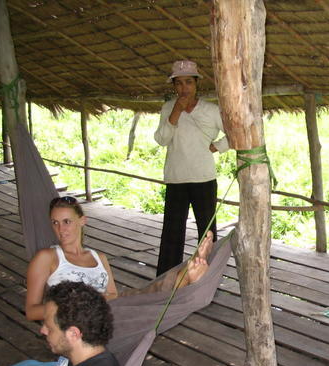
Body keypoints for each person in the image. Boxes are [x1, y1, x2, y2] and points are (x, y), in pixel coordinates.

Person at [25, 196, 213, 322]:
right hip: (81, 321)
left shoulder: (99, 258)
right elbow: (31, 311)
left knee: (148, 293)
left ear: (82, 221)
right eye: (55, 223)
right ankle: (188, 276)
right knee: (146, 303)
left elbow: (113, 296)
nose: (61, 229)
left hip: (112, 310)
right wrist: (66, 307)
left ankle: (187, 275)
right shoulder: (47, 257)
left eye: (67, 222)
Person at [154, 59, 230, 276]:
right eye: (178, 83)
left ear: (197, 84)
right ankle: (166, 278)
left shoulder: (210, 110)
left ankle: (208, 277)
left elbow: (234, 132)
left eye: (188, 82)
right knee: (172, 231)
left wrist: (218, 146)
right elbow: (161, 139)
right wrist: (175, 112)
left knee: (207, 232)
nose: (183, 88)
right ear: (174, 86)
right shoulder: (168, 108)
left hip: (203, 178)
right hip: (176, 178)